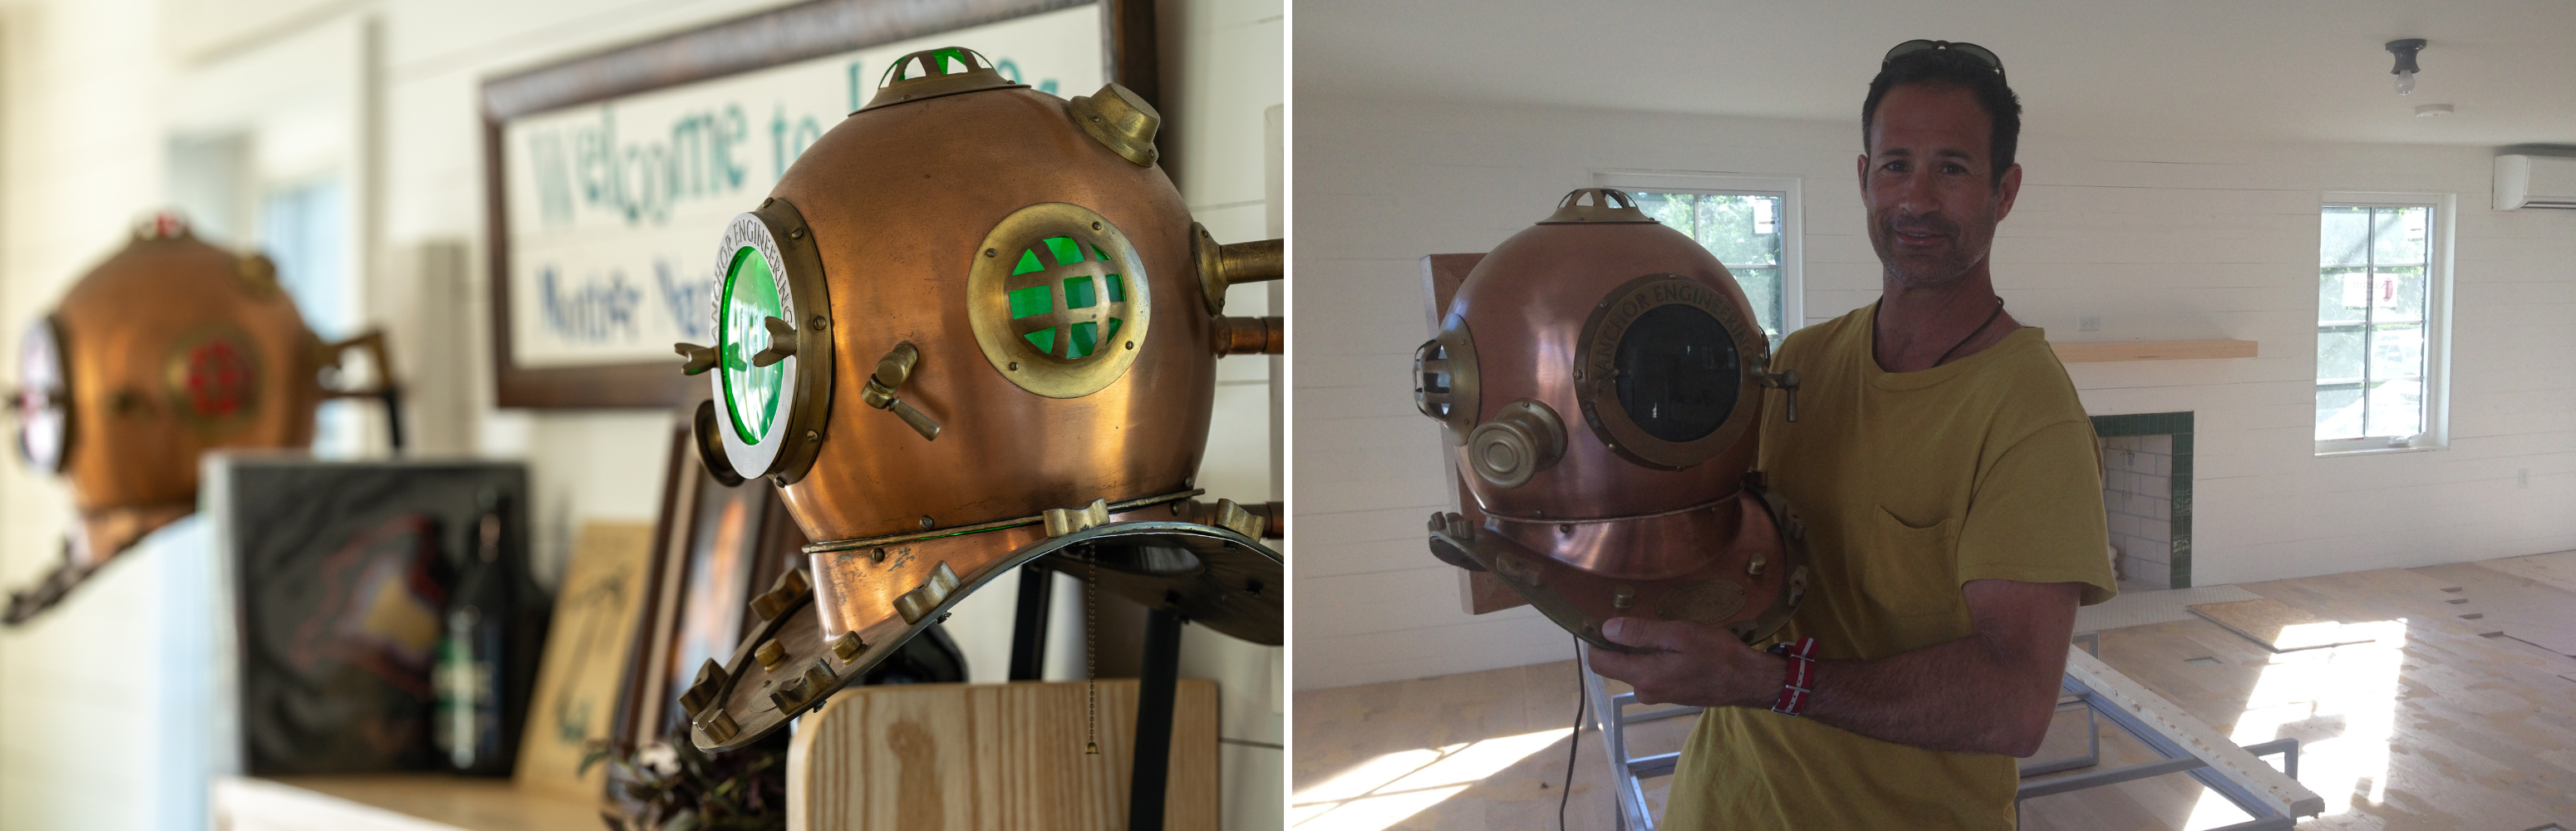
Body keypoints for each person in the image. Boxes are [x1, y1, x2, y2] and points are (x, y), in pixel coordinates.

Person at [1586, 40, 2118, 829]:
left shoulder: (2028, 410)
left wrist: (1765, 683)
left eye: (1953, 168)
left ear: (2004, 192)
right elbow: (1727, 547)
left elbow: (2014, 703)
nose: (1917, 198)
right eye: (1897, 164)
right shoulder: (1802, 362)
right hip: (1722, 803)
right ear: (1863, 176)